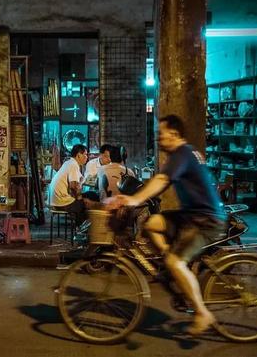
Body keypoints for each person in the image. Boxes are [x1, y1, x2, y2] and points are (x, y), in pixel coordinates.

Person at [105, 115, 225, 335]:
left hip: (206, 220)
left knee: (175, 262)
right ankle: (171, 268)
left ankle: (202, 313)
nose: (158, 139)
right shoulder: (183, 154)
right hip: (190, 215)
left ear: (174, 134)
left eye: (161, 134)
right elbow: (159, 179)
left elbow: (161, 181)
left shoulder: (182, 153)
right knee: (151, 224)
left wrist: (133, 200)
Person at [48, 144, 98, 226]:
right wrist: (80, 199)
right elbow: (73, 186)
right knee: (86, 204)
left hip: (55, 200)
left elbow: (77, 182)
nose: (87, 157)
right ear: (78, 155)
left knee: (91, 195)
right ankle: (81, 229)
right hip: (61, 202)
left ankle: (82, 227)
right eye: (85, 154)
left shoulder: (69, 162)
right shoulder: (73, 165)